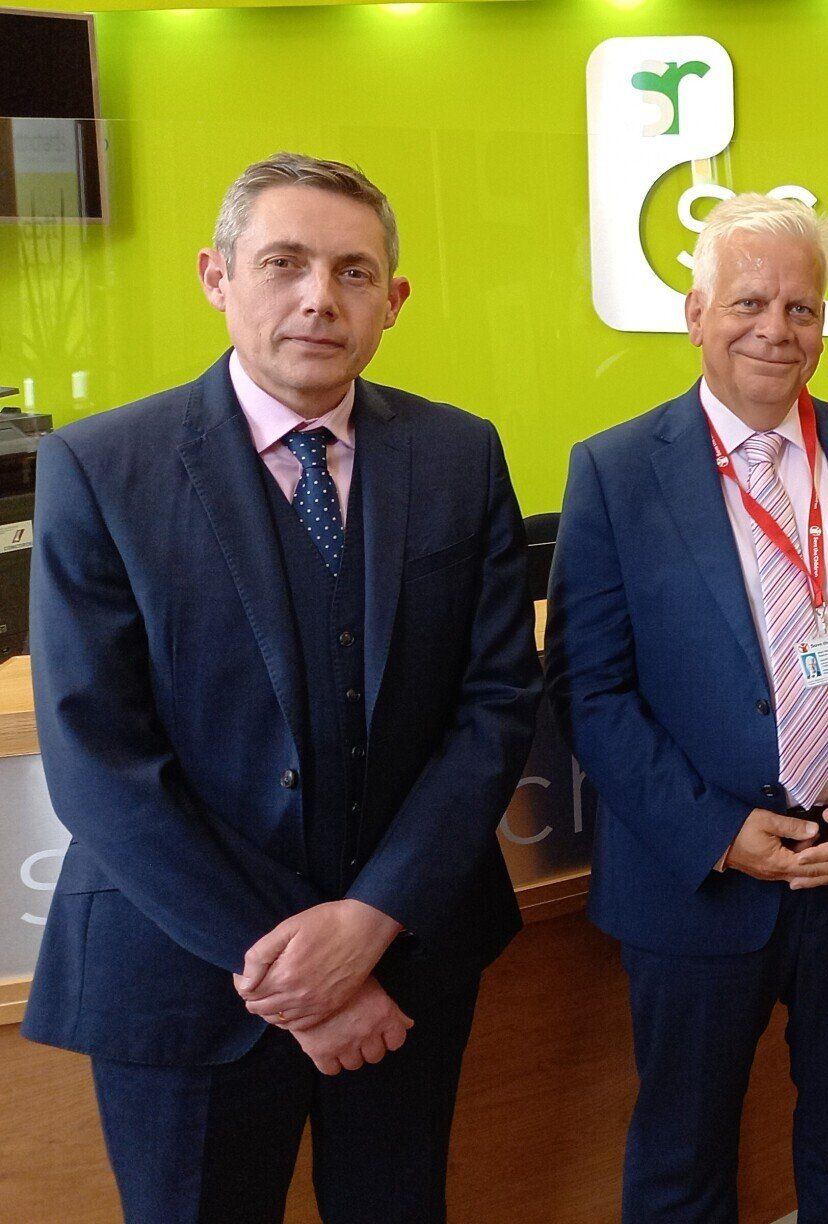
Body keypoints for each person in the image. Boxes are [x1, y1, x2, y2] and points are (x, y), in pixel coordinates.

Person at [23, 152, 542, 1221]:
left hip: (409, 966)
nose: (319, 296)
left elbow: (494, 709)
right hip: (185, 977)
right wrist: (302, 975)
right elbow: (100, 758)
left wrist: (371, 924)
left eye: (354, 273)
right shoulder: (99, 467)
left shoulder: (458, 457)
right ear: (216, 276)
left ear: (393, 303)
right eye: (285, 263)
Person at [545, 193, 828, 1224]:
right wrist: (716, 832)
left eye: (802, 307)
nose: (776, 330)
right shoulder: (614, 472)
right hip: (697, 888)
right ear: (696, 314)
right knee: (680, 1160)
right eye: (749, 302)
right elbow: (589, 687)